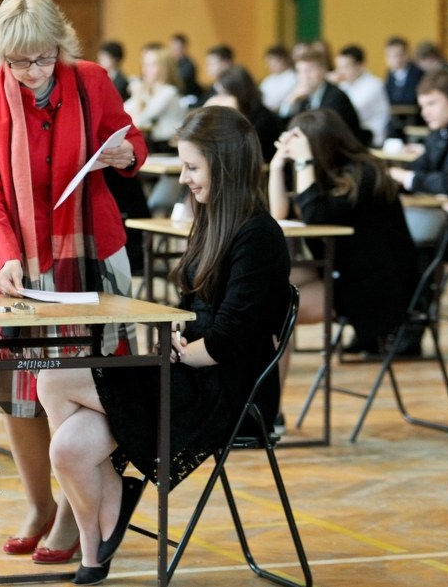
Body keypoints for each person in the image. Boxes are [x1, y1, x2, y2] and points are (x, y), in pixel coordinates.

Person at [37, 106, 291, 585]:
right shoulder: (213, 220)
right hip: (193, 370)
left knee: (52, 375)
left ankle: (108, 504)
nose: (184, 177)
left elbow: (228, 341)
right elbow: (197, 312)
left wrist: (175, 349)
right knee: (69, 448)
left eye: (193, 167)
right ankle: (95, 541)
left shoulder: (259, 236)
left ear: (227, 166)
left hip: (227, 391)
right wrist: (178, 337)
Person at [0, 0, 148, 567]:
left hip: (89, 248)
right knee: (20, 388)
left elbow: (132, 140)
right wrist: (3, 251)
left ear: (59, 45)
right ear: (1, 55)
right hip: (15, 257)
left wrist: (126, 156)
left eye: (44, 58)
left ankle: (74, 511)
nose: (34, 71)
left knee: (84, 381)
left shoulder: (91, 80)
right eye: (20, 62)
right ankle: (39, 504)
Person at [269, 109, 418, 368]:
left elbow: (315, 216)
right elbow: (279, 214)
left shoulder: (364, 173)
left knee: (271, 313)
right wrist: (276, 165)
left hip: (374, 288)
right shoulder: (324, 175)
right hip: (340, 273)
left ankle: (269, 405)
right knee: (262, 283)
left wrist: (305, 163)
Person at [389, 68, 448, 263]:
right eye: (422, 106)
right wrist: (397, 174)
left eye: (432, 103)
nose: (425, 113)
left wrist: (406, 178)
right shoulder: (439, 131)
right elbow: (422, 165)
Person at [279, 50, 370, 146]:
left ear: (323, 71)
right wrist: (289, 102)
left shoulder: (336, 97)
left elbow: (327, 133)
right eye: (300, 71)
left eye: (309, 70)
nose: (304, 76)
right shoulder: (302, 98)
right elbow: (287, 129)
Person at [206, 64, 282, 162]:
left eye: (225, 94)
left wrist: (231, 116)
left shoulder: (264, 118)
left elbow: (238, 151)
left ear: (238, 93)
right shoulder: (244, 111)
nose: (221, 99)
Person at [124, 44, 185, 152]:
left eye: (152, 65)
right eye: (145, 64)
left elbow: (138, 122)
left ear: (164, 67)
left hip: (168, 148)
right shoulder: (147, 91)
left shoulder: (169, 92)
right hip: (154, 146)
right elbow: (123, 113)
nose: (146, 69)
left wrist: (137, 96)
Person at [334, 44, 391, 146]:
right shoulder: (343, 86)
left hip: (372, 140)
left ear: (361, 65)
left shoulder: (374, 85)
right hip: (352, 137)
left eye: (346, 66)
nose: (341, 71)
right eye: (339, 67)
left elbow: (352, 112)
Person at [384, 36, 424, 139]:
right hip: (395, 121)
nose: (396, 59)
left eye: (399, 55)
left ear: (406, 55)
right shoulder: (389, 75)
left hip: (415, 120)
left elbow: (413, 98)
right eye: (391, 56)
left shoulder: (418, 74)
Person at [260, 44, 297, 112]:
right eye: (268, 63)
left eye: (273, 62)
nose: (269, 66)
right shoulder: (268, 80)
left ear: (283, 60)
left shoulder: (293, 78)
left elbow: (279, 101)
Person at [170, 32, 202, 100]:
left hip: (189, 96)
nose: (175, 52)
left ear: (184, 48)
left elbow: (180, 82)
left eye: (177, 49)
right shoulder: (173, 64)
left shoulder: (188, 65)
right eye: (173, 49)